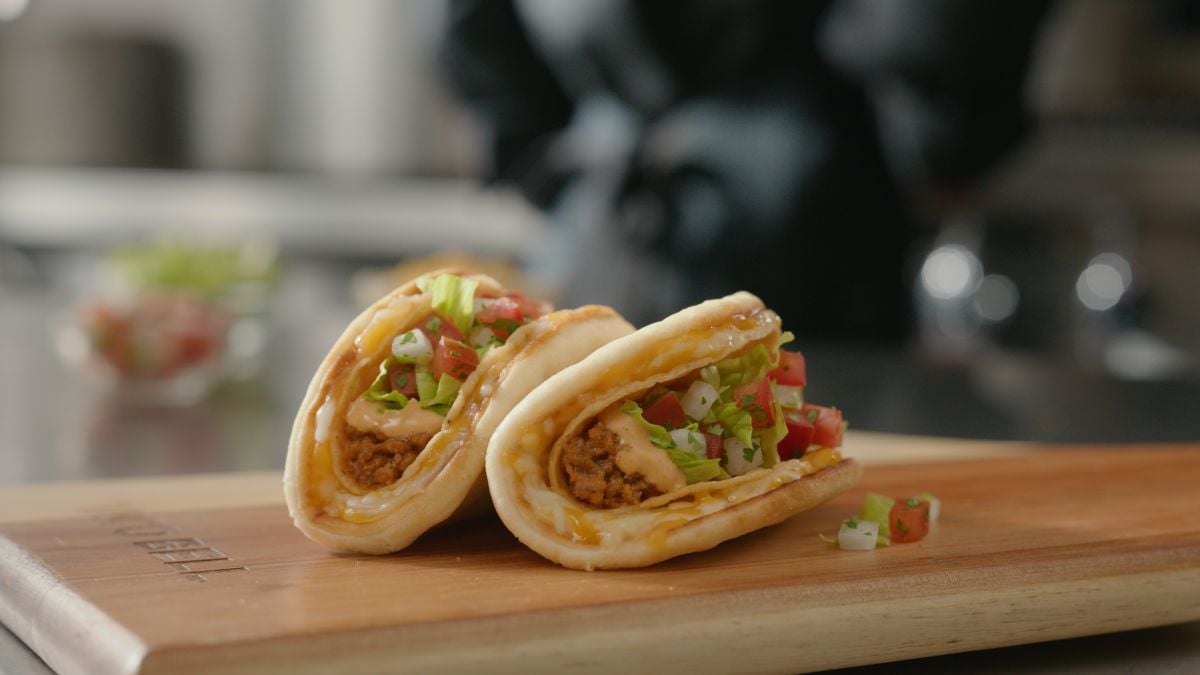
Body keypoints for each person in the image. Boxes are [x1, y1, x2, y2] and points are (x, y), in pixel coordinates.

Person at [439, 0, 1052, 338]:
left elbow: (466, 25)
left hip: (599, 200)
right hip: (813, 208)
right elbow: (932, 29)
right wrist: (945, 138)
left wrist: (537, 147)